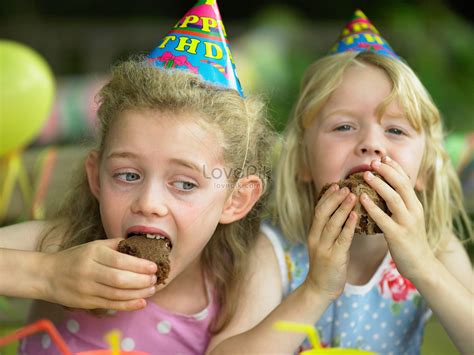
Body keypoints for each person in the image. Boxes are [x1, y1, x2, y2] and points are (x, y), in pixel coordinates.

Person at [0, 1, 278, 354]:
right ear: (97, 177)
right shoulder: (66, 244)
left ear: (236, 199)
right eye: (128, 175)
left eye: (185, 183)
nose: (149, 203)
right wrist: (49, 274)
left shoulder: (239, 278)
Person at [209, 10, 474, 355]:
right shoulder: (277, 249)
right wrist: (316, 289)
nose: (371, 143)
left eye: (395, 130)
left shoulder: (437, 245)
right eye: (344, 126)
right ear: (304, 161)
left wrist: (423, 268)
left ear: (422, 171)